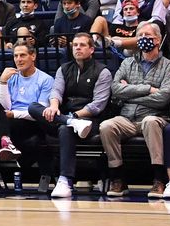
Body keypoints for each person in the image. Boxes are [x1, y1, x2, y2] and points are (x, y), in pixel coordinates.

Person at [0, 43, 54, 196]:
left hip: (33, 122)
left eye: (22, 55)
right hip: (10, 122)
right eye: (15, 56)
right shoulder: (13, 78)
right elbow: (3, 106)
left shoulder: (45, 80)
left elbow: (41, 112)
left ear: (33, 56)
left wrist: (14, 114)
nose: (18, 59)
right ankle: (6, 141)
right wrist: (3, 82)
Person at [28, 33, 111, 199]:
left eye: (82, 45)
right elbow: (56, 91)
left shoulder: (103, 71)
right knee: (33, 107)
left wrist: (75, 115)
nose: (78, 48)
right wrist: (53, 106)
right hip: (65, 116)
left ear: (92, 49)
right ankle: (70, 122)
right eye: (75, 45)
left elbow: (98, 105)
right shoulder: (64, 68)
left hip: (90, 121)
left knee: (66, 129)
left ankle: (65, 180)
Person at [99, 22, 170, 198]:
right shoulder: (127, 63)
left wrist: (130, 92)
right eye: (140, 35)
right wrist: (147, 89)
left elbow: (163, 98)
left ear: (157, 40)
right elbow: (116, 89)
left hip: (155, 116)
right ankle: (118, 178)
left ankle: (158, 179)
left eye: (147, 36)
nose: (143, 39)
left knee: (150, 122)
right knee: (106, 126)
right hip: (127, 117)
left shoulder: (169, 66)